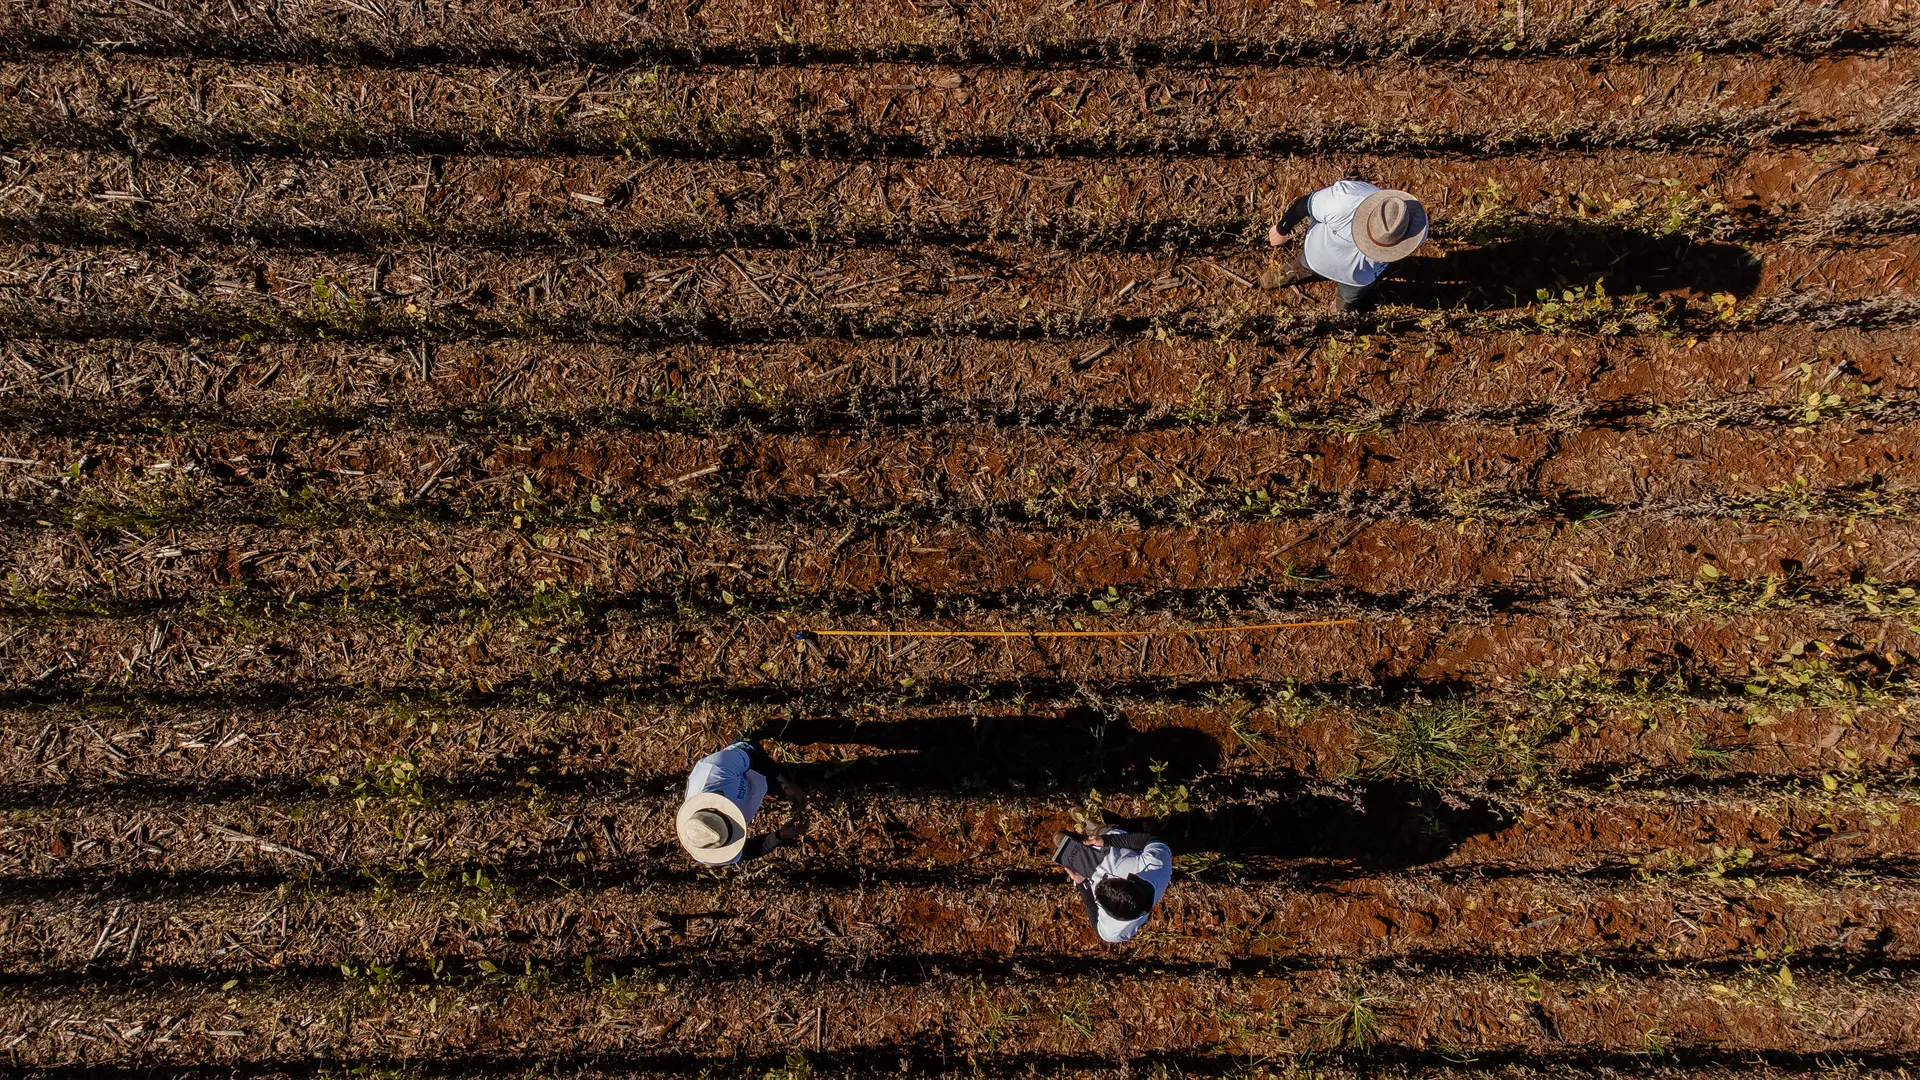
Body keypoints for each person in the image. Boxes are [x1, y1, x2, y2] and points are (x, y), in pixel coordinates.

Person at [1260, 180, 1428, 312]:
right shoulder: (1344, 200)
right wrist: (1281, 229)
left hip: (1357, 279)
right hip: (1317, 255)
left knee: (1349, 296)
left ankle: (1339, 309)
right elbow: (1303, 206)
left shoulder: (1417, 227)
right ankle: (1287, 275)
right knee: (1304, 265)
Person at [677, 740, 808, 865]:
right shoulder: (708, 846)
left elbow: (754, 756)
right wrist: (780, 836)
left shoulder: (716, 769)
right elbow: (747, 852)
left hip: (747, 759)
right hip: (755, 787)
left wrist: (786, 784)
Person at [1050, 826, 1173, 943]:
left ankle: (1075, 845)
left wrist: (1082, 884)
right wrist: (1107, 840)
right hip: (1111, 846)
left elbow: (1097, 927)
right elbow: (1150, 840)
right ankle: (1096, 830)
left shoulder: (1113, 931)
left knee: (1066, 848)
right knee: (1098, 830)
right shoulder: (1156, 865)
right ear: (1130, 880)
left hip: (1086, 871)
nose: (1101, 879)